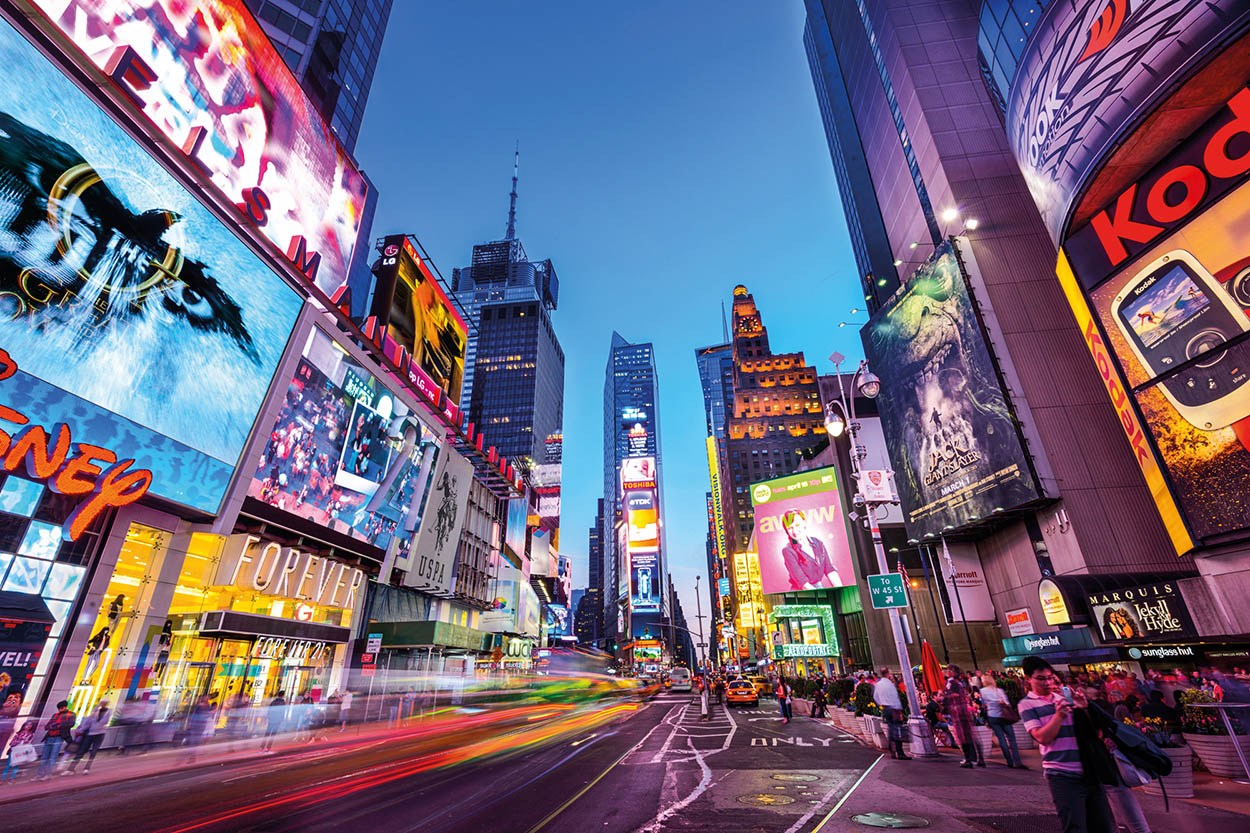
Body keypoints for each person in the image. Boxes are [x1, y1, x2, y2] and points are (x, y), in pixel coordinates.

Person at [1019, 657, 1116, 833]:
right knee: (1075, 826)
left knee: (1104, 826)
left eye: (1049, 677)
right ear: (1028, 679)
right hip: (1061, 773)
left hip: (1089, 768)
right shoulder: (1026, 704)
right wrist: (1059, 716)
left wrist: (1085, 709)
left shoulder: (1065, 699)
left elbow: (1095, 733)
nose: (1047, 682)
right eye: (1041, 678)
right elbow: (1042, 737)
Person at [779, 509, 840, 590]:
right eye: (790, 528)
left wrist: (841, 591)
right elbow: (803, 583)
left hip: (818, 587)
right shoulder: (787, 550)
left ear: (804, 523)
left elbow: (830, 571)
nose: (795, 531)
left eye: (797, 525)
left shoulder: (818, 543)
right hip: (802, 593)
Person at [979, 677, 1025, 768]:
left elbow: (984, 704)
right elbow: (1007, 703)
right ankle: (1017, 761)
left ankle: (1009, 761)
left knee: (1001, 739)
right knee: (1011, 739)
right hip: (1004, 716)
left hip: (992, 716)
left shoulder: (982, 691)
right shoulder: (999, 690)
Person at [943, 665, 982, 768]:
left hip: (957, 712)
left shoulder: (951, 683)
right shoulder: (961, 682)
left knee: (962, 736)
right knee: (969, 735)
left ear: (951, 672)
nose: (946, 672)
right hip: (964, 711)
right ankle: (977, 758)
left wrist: (943, 697)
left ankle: (968, 759)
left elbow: (949, 696)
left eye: (948, 670)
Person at [66, 700, 110, 775]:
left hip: (100, 734)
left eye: (104, 703)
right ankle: (71, 768)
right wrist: (97, 706)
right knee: (82, 750)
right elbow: (91, 716)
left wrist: (96, 721)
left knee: (93, 751)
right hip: (91, 733)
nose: (103, 704)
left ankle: (87, 768)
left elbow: (104, 722)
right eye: (102, 703)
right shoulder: (96, 711)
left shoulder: (108, 712)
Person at [874, 668, 909, 760]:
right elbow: (895, 698)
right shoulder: (890, 685)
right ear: (888, 674)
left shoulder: (879, 684)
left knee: (891, 729)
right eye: (891, 673)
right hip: (893, 708)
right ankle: (900, 752)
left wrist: (882, 704)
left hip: (886, 708)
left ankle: (892, 750)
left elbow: (875, 697)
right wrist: (899, 709)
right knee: (897, 730)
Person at [36, 700, 75, 780]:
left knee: (53, 756)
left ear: (65, 707)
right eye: (59, 708)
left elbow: (71, 724)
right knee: (44, 756)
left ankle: (48, 774)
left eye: (61, 708)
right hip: (50, 736)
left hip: (59, 737)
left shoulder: (71, 714)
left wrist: (59, 725)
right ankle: (40, 774)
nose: (60, 710)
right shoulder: (55, 715)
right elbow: (47, 725)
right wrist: (50, 726)